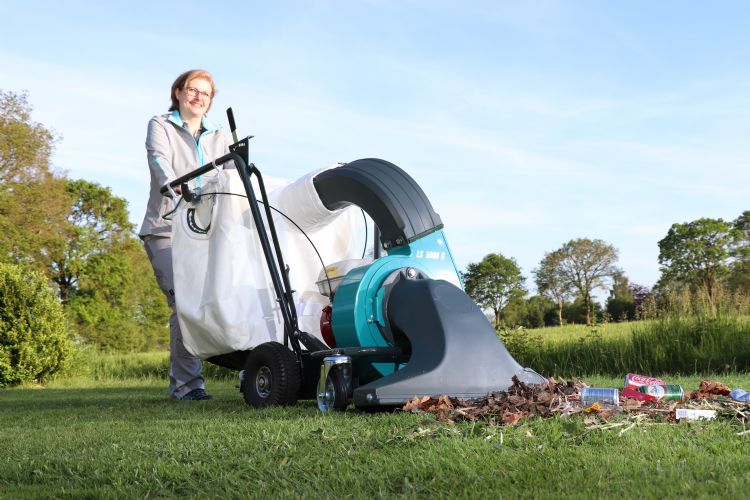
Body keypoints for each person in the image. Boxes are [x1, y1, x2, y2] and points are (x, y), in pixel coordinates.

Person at [139, 69, 232, 400]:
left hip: (206, 230)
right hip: (165, 227)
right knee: (183, 301)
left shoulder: (220, 135)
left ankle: (252, 368)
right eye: (193, 90)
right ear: (178, 92)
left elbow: (233, 175)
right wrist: (174, 185)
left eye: (205, 94)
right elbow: (158, 161)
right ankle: (187, 386)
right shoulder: (160, 124)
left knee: (226, 297)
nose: (198, 97)